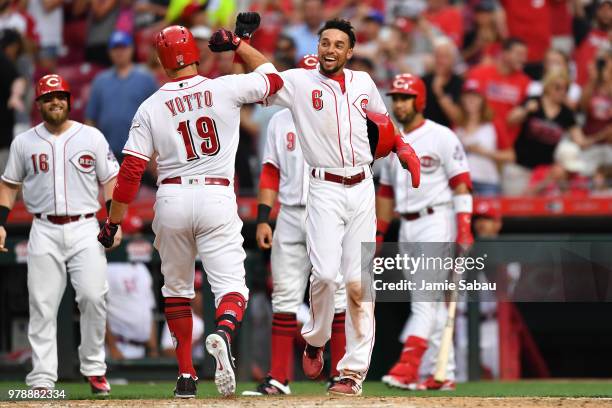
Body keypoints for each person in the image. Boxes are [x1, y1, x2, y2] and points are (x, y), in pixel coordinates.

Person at [231, 18, 420, 396]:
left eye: (338, 44)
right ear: (317, 46)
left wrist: (404, 149)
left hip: (362, 185)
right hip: (324, 188)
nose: (330, 49)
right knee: (325, 277)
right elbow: (264, 70)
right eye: (325, 42)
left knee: (358, 285)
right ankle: (315, 340)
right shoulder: (301, 82)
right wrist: (238, 44)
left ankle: (351, 374)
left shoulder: (363, 82)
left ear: (349, 52)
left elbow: (383, 123)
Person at [97, 22, 284, 399]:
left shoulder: (149, 106)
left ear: (161, 61)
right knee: (232, 287)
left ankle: (185, 375)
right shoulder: (223, 87)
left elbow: (131, 172)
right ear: (195, 54)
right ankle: (224, 332)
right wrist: (239, 45)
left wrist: (111, 222)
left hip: (171, 199)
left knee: (176, 290)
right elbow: (273, 80)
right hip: (216, 195)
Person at [0, 74, 120, 394]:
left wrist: (113, 221)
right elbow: (10, 184)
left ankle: (94, 367)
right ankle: (42, 377)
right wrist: (0, 221)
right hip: (44, 227)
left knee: (94, 297)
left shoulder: (91, 137)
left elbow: (110, 179)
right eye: (49, 97)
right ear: (39, 104)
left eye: (61, 96)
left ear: (68, 100)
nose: (56, 101)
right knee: (42, 304)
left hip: (85, 225)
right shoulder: (24, 142)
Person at [244, 56, 346, 396]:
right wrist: (263, 218)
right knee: (284, 295)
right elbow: (270, 171)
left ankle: (343, 374)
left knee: (337, 291)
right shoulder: (278, 121)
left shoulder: (339, 113)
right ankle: (278, 377)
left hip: (328, 209)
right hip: (289, 212)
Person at [377, 73, 473, 391]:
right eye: (396, 98)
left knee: (424, 300)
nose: (400, 104)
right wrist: (379, 234)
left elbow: (462, 184)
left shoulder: (441, 136)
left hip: (437, 219)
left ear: (419, 100)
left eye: (405, 98)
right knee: (429, 303)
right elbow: (386, 193)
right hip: (407, 226)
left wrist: (463, 225)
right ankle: (441, 373)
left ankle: (409, 366)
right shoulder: (390, 140)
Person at [508, 69, 594, 195]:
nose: (561, 92)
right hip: (520, 166)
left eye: (565, 89)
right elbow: (510, 120)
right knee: (516, 205)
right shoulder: (534, 101)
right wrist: (526, 110)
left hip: (544, 171)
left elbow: (580, 141)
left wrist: (600, 136)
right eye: (557, 87)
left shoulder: (566, 113)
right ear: (548, 87)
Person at [85, 30, 158, 158]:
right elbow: (90, 119)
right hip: (107, 153)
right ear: (109, 52)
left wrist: (156, 150)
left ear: (131, 49)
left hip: (141, 152)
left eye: (123, 47)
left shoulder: (146, 77)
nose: (119, 52)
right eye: (115, 48)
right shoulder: (100, 80)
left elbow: (158, 115)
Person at [105, 212, 159, 360]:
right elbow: (98, 312)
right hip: (118, 346)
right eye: (132, 234)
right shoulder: (108, 267)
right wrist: (113, 347)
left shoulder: (142, 268)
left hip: (142, 349)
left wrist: (153, 349)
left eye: (139, 233)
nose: (137, 238)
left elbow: (149, 310)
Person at [455, 78, 514, 196]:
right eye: (468, 96)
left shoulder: (493, 124)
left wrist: (484, 152)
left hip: (487, 181)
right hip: (461, 183)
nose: (471, 100)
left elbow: (510, 155)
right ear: (462, 100)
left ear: (482, 100)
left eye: (475, 96)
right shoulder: (457, 126)